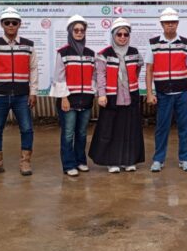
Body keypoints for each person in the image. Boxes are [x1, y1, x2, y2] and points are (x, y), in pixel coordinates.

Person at [0, 7, 37, 177]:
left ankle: (25, 162)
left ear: (19, 24)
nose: (11, 25)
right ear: (2, 24)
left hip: (22, 96)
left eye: (14, 22)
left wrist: (33, 92)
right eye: (7, 22)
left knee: (27, 129)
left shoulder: (28, 45)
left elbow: (33, 69)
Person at [88, 18, 145, 173]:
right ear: (113, 35)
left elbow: (137, 69)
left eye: (126, 34)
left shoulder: (134, 52)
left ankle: (128, 161)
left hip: (130, 97)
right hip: (112, 98)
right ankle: (111, 162)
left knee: (130, 129)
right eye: (119, 34)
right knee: (111, 130)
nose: (122, 37)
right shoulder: (104, 54)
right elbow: (100, 76)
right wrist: (102, 94)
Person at [146, 7, 187, 173]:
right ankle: (158, 160)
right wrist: (149, 92)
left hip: (182, 93)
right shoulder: (153, 43)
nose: (170, 25)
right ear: (162, 24)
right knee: (162, 128)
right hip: (163, 94)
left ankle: (185, 159)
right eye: (167, 22)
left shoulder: (185, 43)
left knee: (185, 128)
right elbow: (149, 69)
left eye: (173, 22)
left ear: (177, 24)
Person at [51, 14, 95, 177]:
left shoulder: (91, 53)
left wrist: (93, 93)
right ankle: (69, 164)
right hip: (68, 100)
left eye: (82, 30)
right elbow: (59, 77)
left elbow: (94, 76)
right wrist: (63, 98)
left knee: (82, 133)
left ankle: (81, 161)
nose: (79, 33)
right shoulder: (63, 52)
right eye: (76, 30)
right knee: (68, 134)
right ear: (70, 31)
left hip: (86, 100)